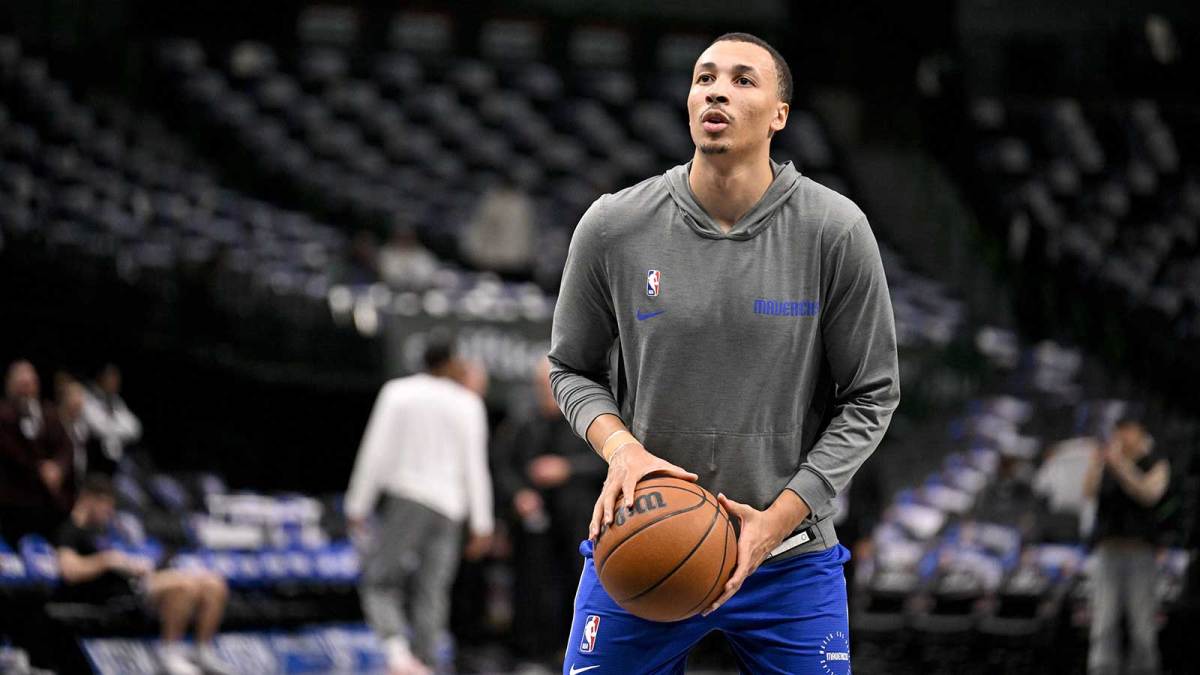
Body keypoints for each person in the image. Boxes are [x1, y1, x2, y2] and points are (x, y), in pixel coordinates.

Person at [548, 32, 900, 674]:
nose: (716, 90)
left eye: (743, 80)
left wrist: (781, 516)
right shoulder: (613, 226)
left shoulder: (834, 230)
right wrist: (621, 449)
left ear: (779, 115)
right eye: (704, 77)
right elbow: (569, 367)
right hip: (645, 539)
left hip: (789, 555)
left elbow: (872, 394)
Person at [345, 334, 495, 675]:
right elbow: (476, 468)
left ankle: (399, 656)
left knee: (380, 582)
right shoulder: (468, 403)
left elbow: (375, 453)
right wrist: (482, 523)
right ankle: (425, 663)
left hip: (408, 500)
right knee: (433, 590)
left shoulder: (399, 393)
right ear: (451, 361)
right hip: (450, 511)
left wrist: (357, 504)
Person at [55, 476, 233, 675]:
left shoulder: (103, 530)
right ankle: (169, 652)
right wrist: (106, 560)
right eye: (106, 506)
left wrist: (130, 564)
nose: (110, 512)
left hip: (134, 582)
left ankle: (203, 650)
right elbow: (69, 571)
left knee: (213, 583)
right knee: (184, 585)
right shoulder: (70, 530)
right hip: (111, 595)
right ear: (89, 500)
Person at [492, 358, 606, 664]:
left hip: (578, 521)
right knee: (532, 584)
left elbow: (608, 463)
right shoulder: (523, 423)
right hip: (535, 523)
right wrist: (519, 494)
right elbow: (504, 465)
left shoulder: (589, 420)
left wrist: (566, 468)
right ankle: (532, 651)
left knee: (576, 582)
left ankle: (573, 650)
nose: (546, 394)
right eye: (541, 387)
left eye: (551, 387)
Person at [1083, 417, 1170, 675]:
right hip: (1108, 553)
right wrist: (1098, 463)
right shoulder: (1106, 463)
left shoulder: (1156, 463)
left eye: (1129, 431)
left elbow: (1148, 494)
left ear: (1141, 434)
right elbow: (1088, 492)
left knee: (1142, 627)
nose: (1123, 437)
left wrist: (1120, 465)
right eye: (1119, 431)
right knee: (1104, 624)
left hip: (1140, 554)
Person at [0, 360, 74, 542]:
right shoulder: (3, 414)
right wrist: (40, 468)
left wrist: (58, 467)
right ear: (10, 385)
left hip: (46, 502)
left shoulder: (49, 413)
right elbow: (9, 449)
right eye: (21, 384)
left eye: (30, 383)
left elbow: (66, 446)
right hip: (12, 499)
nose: (26, 388)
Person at [81, 364, 142, 476]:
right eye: (112, 379)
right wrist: (118, 425)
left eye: (117, 380)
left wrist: (112, 426)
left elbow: (135, 429)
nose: (116, 383)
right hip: (94, 457)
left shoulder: (117, 401)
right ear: (101, 378)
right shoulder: (88, 397)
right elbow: (99, 429)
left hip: (117, 458)